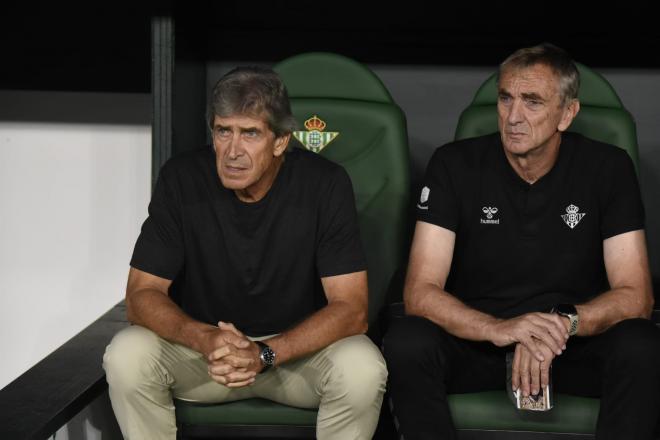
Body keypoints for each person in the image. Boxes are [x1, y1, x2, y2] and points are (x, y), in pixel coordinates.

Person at [384, 43, 660, 439]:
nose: (513, 117)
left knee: (641, 344)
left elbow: (636, 296)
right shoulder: (453, 164)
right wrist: (499, 328)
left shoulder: (609, 168)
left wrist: (562, 324)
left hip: (571, 347)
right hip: (480, 343)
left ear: (567, 114)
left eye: (532, 102)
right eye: (506, 98)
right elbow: (420, 292)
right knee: (408, 340)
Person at [103, 66, 387, 440]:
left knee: (363, 368)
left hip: (292, 359)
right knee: (125, 355)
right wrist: (202, 338)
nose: (233, 151)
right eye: (224, 131)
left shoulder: (325, 184)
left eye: (250, 133)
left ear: (281, 141)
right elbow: (140, 297)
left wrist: (265, 353)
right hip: (206, 357)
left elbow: (351, 310)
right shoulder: (181, 178)